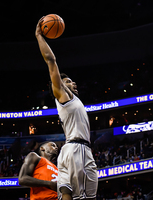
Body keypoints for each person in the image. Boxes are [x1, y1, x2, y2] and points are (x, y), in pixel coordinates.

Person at [35, 17, 98, 200]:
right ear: (59, 86)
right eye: (68, 81)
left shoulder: (73, 101)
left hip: (69, 151)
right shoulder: (63, 96)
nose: (73, 82)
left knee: (66, 194)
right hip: (78, 150)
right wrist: (40, 36)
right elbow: (51, 61)